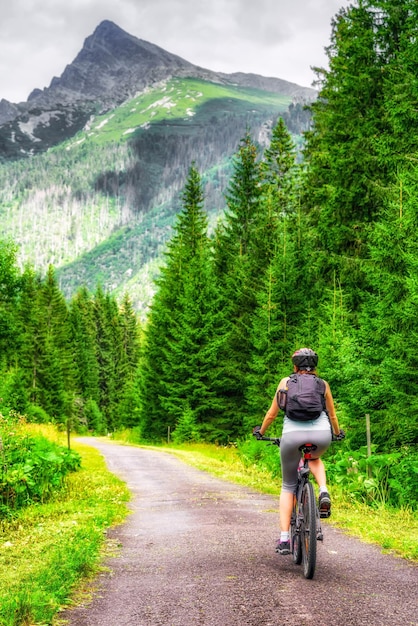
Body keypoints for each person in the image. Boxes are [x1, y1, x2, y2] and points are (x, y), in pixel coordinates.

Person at [253, 348, 344, 555]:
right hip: (321, 435)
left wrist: (261, 431)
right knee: (314, 457)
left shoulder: (286, 382)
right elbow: (332, 415)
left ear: (295, 366)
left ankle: (285, 539)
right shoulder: (323, 384)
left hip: (292, 436)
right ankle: (323, 490)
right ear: (315, 367)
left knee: (288, 485)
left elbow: (271, 414)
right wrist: (337, 434)